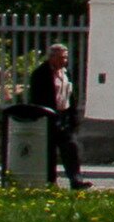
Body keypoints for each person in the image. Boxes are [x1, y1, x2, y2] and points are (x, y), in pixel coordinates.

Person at [26, 43, 91, 190]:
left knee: (71, 148)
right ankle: (50, 181)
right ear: (52, 57)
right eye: (62, 57)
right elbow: (36, 98)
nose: (65, 60)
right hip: (48, 117)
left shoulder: (66, 73)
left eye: (66, 57)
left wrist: (73, 116)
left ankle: (76, 180)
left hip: (64, 116)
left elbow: (71, 95)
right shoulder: (40, 74)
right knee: (49, 152)